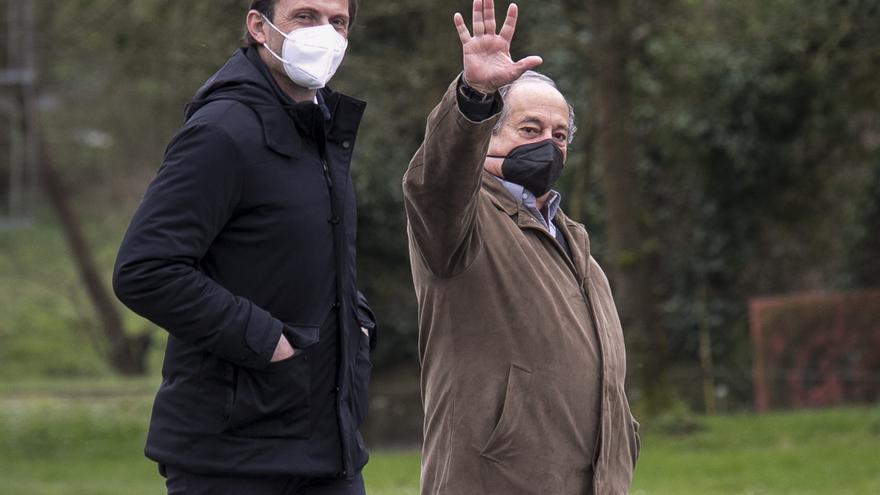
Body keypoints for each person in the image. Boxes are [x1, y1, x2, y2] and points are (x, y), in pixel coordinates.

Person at [112, 1, 376, 493]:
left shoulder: (319, 128)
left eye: (338, 21)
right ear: (259, 26)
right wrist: (267, 341)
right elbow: (146, 269)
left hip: (327, 449)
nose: (325, 33)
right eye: (305, 16)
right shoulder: (223, 130)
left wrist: (355, 325)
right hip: (232, 456)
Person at [403, 1, 640, 493]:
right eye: (529, 130)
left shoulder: (575, 244)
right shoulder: (460, 221)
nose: (546, 145)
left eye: (559, 136)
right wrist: (474, 98)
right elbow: (439, 181)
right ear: (487, 134)